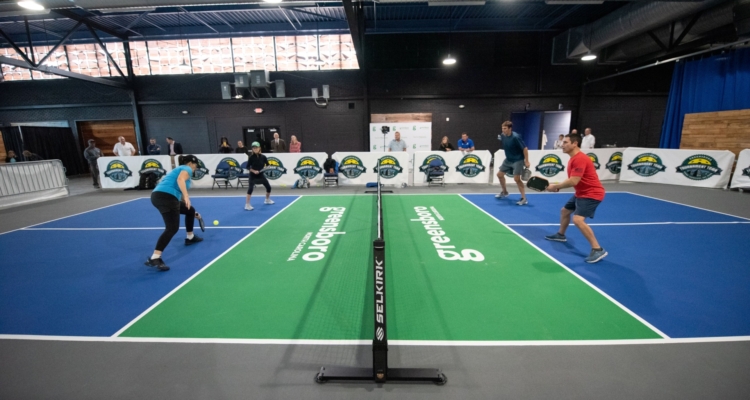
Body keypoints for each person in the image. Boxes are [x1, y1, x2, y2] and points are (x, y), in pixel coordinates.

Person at [545, 133, 607, 263]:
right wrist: (557, 186)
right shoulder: (573, 158)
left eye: (566, 142)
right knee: (565, 211)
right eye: (563, 142)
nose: (563, 145)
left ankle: (597, 249)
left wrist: (556, 187)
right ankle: (561, 235)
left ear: (575, 144)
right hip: (581, 192)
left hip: (592, 193)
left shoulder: (579, 159)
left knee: (578, 220)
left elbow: (573, 181)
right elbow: (574, 181)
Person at [146, 154, 204, 271]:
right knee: (172, 228)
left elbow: (180, 195)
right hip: (165, 197)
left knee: (190, 210)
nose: (195, 168)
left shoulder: (179, 171)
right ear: (190, 163)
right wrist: (187, 196)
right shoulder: (186, 169)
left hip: (160, 196)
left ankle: (190, 237)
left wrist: (194, 213)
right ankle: (155, 257)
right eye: (195, 165)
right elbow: (180, 180)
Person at [496, 121, 530, 205]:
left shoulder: (516, 137)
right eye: (502, 128)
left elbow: (525, 148)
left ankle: (524, 198)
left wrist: (526, 160)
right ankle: (505, 192)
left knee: (517, 179)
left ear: (510, 128)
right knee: (499, 174)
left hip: (518, 160)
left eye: (505, 128)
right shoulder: (503, 135)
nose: (503, 130)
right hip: (508, 159)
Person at [245, 141, 274, 211]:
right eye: (253, 148)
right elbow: (247, 167)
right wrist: (254, 171)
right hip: (253, 175)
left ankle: (267, 200)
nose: (255, 149)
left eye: (256, 148)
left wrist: (266, 167)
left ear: (259, 148)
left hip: (261, 175)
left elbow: (267, 165)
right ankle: (247, 205)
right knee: (250, 188)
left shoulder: (263, 157)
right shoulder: (251, 157)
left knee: (269, 187)